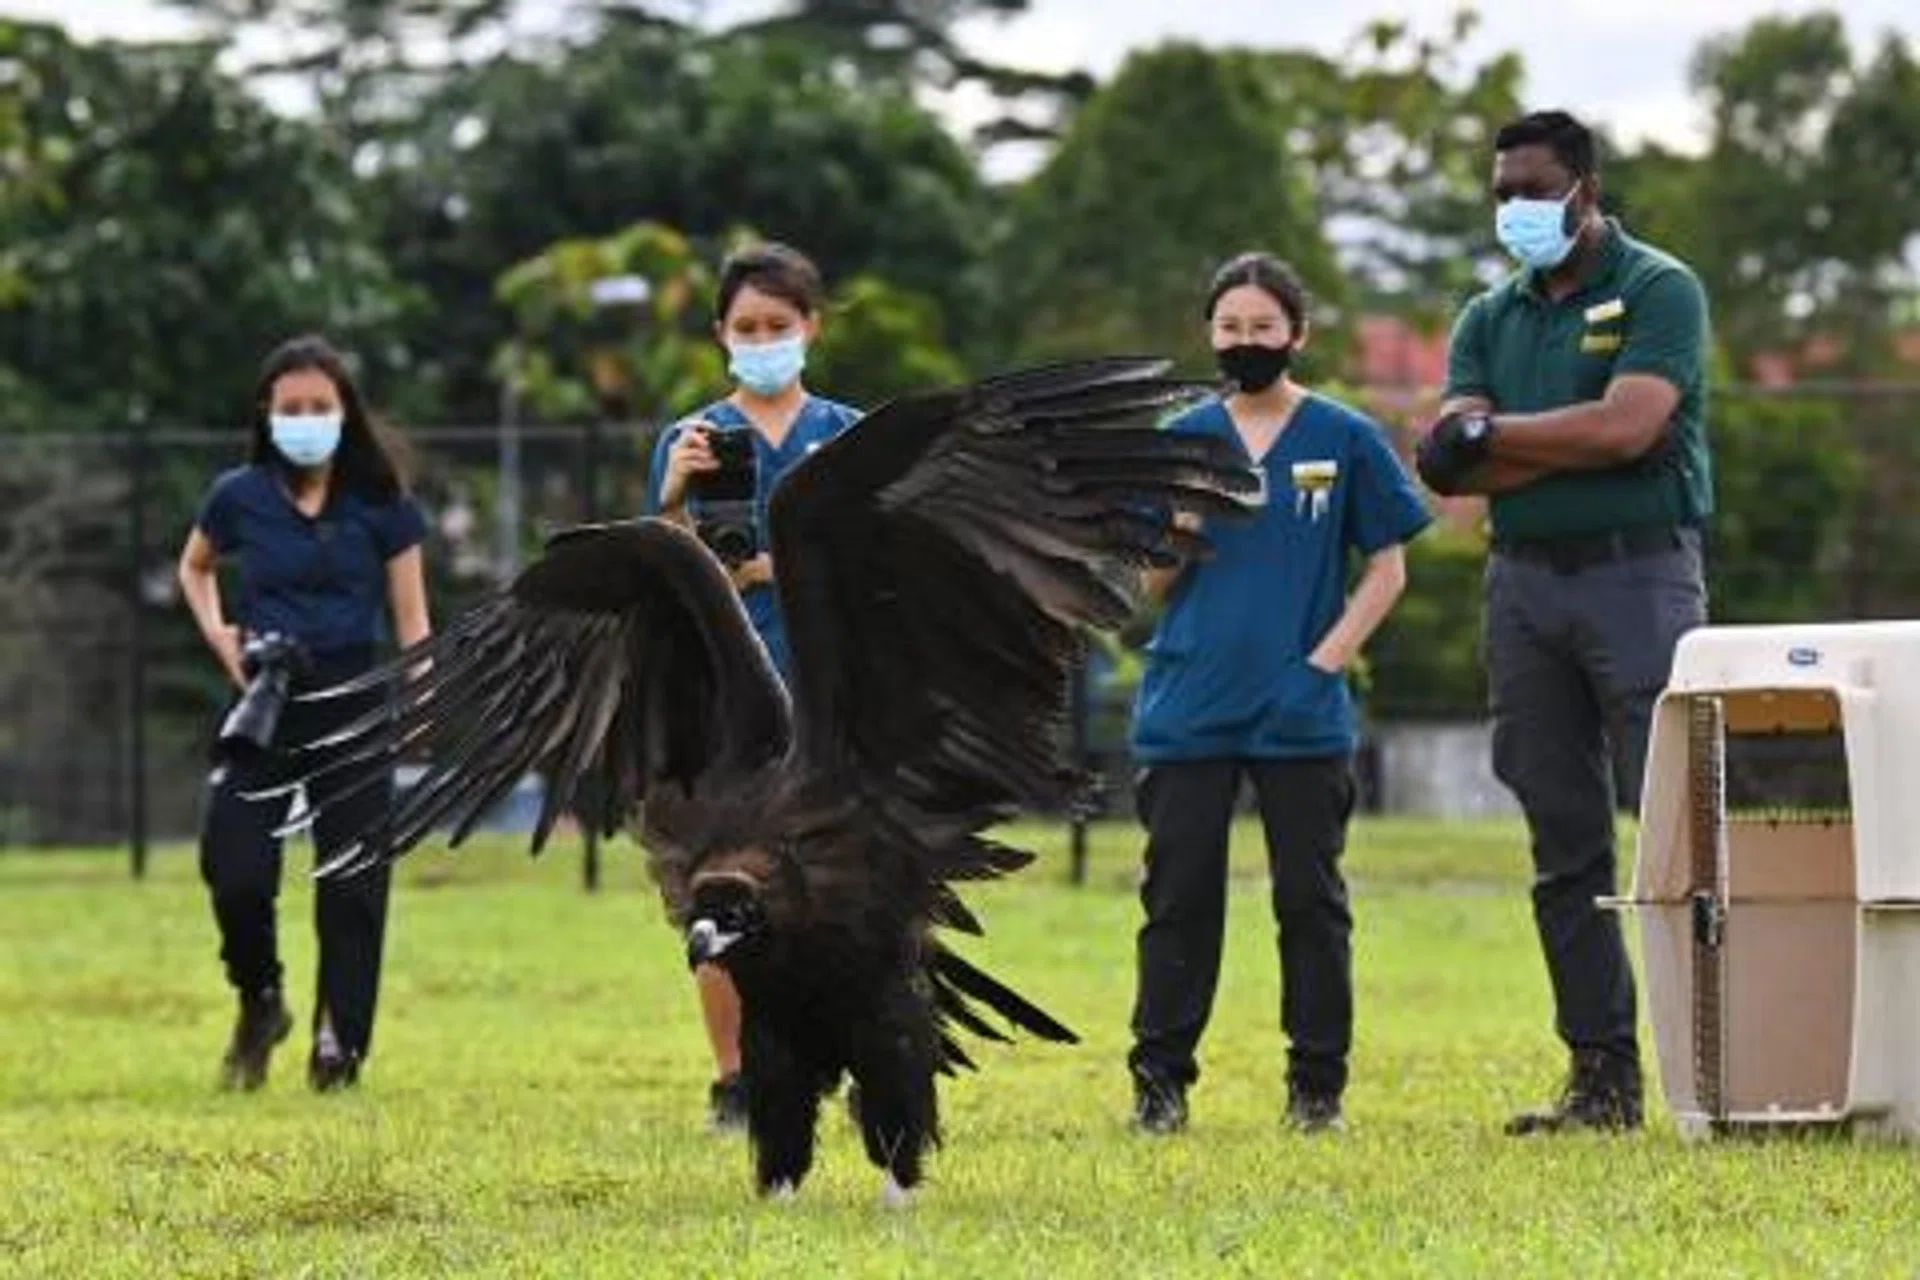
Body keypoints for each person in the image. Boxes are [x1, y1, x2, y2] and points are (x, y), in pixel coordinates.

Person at [1415, 109, 1713, 1134]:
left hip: (1641, 579)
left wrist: (1496, 433)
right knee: (1562, 838)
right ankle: (1601, 1078)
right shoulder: (1488, 316)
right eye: (1502, 192)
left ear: (1585, 188)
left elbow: (1635, 426)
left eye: (1534, 190)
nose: (1515, 210)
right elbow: (1451, 464)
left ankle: (1721, 1063)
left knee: (1678, 825)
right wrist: (1552, 440)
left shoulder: (1658, 288)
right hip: (1524, 586)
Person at [1126, 251, 1432, 1136]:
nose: (1246, 342)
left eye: (1263, 327)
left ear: (1296, 333)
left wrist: (1325, 662)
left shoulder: (1344, 438)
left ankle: (1316, 1088)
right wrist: (1177, 531)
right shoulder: (1180, 438)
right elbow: (1140, 589)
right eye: (1230, 329)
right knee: (1179, 899)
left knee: (1311, 900)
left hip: (1300, 712)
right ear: (1208, 336)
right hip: (1189, 706)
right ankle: (1159, 1083)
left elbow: (1389, 565)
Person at [177, 335, 432, 1093]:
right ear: (268, 413)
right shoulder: (237, 495)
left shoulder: (384, 503)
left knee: (354, 881)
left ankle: (338, 1045)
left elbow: (412, 617)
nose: (307, 420)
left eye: (321, 407)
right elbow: (193, 568)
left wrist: (419, 699)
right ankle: (260, 997)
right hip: (264, 696)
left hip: (355, 696)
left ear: (345, 412)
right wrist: (224, 638)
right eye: (292, 409)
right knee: (235, 867)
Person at [646, 241, 862, 1130]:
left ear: (810, 327)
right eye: (747, 327)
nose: (763, 340)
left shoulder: (850, 436)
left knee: (844, 896)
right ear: (720, 336)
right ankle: (737, 1078)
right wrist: (671, 500)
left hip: (832, 699)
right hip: (720, 708)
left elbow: (886, 568)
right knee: (718, 895)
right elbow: (655, 579)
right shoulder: (690, 439)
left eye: (779, 325)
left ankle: (852, 1063)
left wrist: (788, 571)